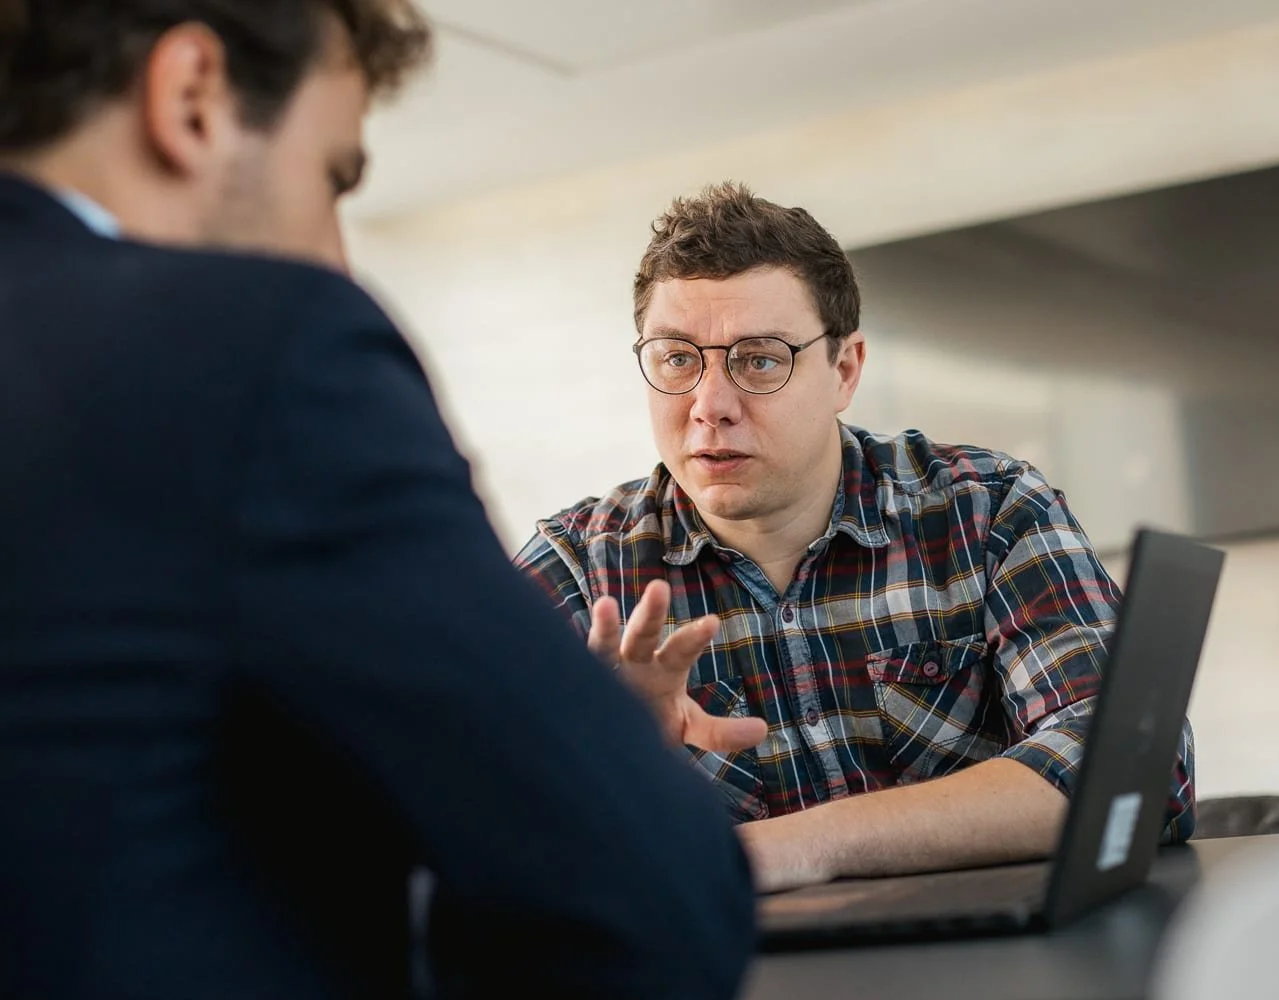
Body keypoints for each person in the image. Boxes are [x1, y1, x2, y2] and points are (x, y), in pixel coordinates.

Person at [0, 4, 754, 998]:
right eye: (332, 176)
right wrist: (601, 758)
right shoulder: (255, 345)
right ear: (191, 98)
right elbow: (651, 896)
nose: (337, 256)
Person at [516, 182, 1197, 893]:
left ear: (844, 371)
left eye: (760, 359)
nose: (710, 406)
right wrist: (602, 773)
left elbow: (1133, 770)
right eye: (677, 359)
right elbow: (463, 833)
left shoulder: (989, 508)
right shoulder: (576, 571)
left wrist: (793, 848)